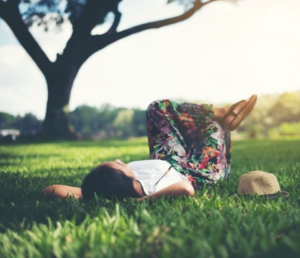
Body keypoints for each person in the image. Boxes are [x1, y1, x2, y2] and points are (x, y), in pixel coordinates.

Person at [42, 95, 257, 201]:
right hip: (198, 174)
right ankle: (224, 120)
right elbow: (185, 189)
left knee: (156, 108)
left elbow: (50, 189)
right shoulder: (139, 193)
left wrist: (87, 195)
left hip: (169, 158)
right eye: (117, 165)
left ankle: (222, 111)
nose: (119, 160)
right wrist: (141, 202)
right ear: (125, 181)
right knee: (214, 128)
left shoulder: (103, 190)